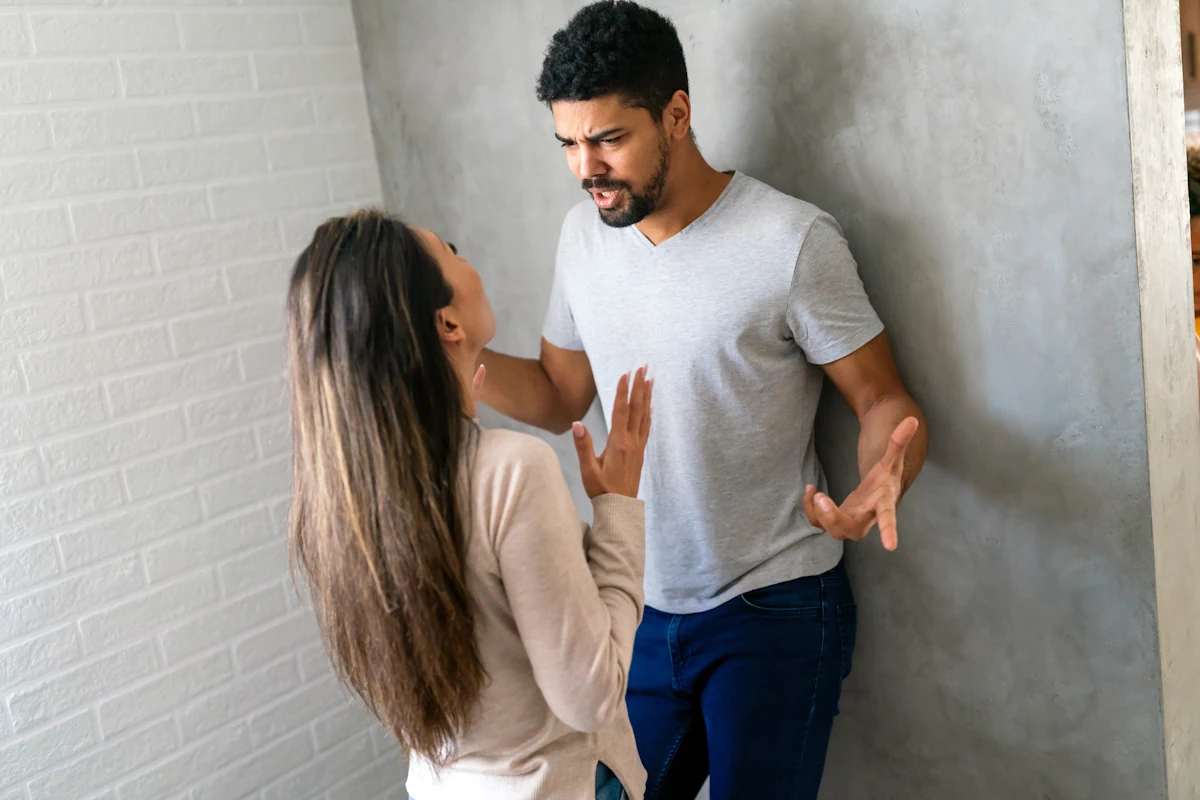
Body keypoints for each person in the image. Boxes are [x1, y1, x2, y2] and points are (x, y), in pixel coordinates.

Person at [476, 3, 930, 798]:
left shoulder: (790, 241)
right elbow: (558, 395)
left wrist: (882, 478)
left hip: (775, 605)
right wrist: (451, 358)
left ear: (677, 115)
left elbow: (882, 400)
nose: (587, 168)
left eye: (609, 139)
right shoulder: (582, 238)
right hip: (642, 605)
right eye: (569, 144)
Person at [284, 209, 655, 800]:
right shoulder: (510, 471)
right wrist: (616, 512)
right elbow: (592, 699)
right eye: (451, 250)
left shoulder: (342, 499)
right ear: (448, 322)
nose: (468, 257)